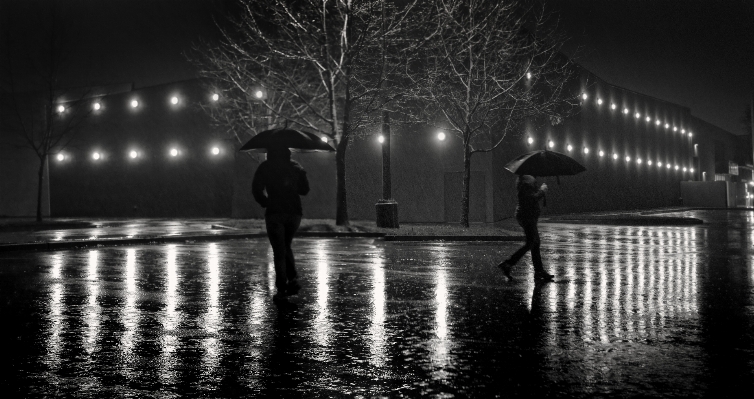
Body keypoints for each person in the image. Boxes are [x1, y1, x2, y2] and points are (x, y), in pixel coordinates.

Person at [252, 147, 310, 302]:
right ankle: (292, 279)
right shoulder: (296, 167)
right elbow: (305, 190)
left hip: (275, 212)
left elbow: (256, 189)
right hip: (294, 212)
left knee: (279, 250)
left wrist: (265, 202)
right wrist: (294, 181)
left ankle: (282, 288)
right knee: (286, 244)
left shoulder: (265, 166)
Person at [498, 175, 554, 281]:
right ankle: (508, 263)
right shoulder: (525, 183)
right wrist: (542, 191)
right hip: (526, 216)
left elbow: (532, 197)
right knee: (531, 242)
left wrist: (539, 189)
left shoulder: (528, 182)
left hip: (529, 216)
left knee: (534, 242)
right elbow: (532, 198)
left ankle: (538, 271)